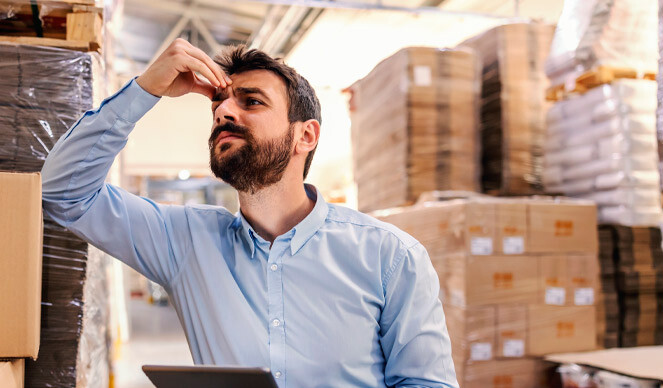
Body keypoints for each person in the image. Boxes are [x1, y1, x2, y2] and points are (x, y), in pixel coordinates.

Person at [41, 38, 458, 388]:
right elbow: (62, 192)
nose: (223, 111)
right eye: (219, 104)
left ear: (305, 136)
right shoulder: (184, 241)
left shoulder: (391, 257)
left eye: (251, 101)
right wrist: (144, 89)